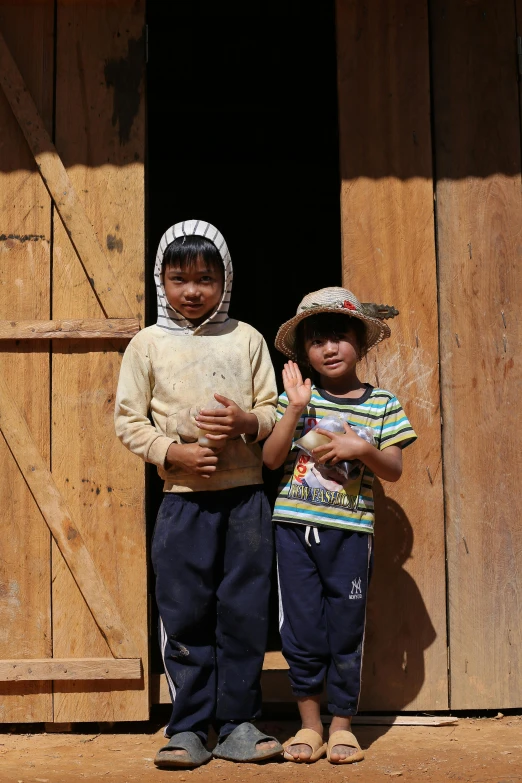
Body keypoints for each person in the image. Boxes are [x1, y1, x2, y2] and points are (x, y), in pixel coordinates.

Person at [115, 220, 282, 768]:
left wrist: (245, 421)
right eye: (179, 278)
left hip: (245, 501)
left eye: (206, 278)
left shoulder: (247, 338)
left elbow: (274, 410)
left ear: (225, 280)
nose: (192, 290)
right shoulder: (147, 344)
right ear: (161, 281)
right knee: (185, 610)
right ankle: (187, 727)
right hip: (182, 502)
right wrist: (170, 453)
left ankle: (238, 722)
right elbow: (128, 421)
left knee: (244, 610)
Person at [263, 287, 417, 765]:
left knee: (346, 628)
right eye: (317, 342)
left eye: (339, 338)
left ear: (361, 345)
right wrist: (292, 408)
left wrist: (362, 450)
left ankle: (343, 724)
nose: (329, 349)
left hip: (351, 537)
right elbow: (271, 460)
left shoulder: (382, 404)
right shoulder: (295, 400)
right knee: (302, 630)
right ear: (304, 351)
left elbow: (392, 468)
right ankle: (310, 726)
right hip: (295, 532)